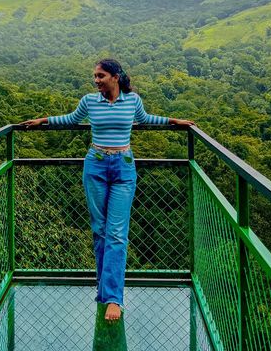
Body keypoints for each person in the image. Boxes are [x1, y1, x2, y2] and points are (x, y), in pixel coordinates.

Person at [21, 59, 195, 322]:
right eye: (94, 77)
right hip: (96, 165)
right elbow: (70, 119)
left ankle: (114, 298)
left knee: (116, 233)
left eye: (101, 76)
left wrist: (174, 121)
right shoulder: (90, 101)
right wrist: (43, 121)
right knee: (100, 231)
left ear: (115, 77)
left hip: (124, 168)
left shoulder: (132, 100)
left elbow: (145, 119)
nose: (96, 80)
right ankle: (105, 291)